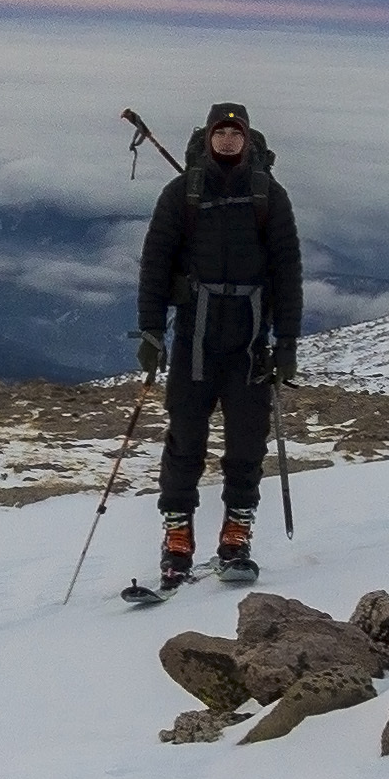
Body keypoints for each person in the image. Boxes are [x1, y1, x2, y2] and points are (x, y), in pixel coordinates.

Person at [129, 101, 302, 584]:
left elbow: (288, 270)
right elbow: (155, 261)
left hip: (250, 342)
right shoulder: (182, 193)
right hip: (194, 337)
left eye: (235, 134)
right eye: (220, 133)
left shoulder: (270, 195)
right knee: (185, 438)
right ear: (207, 138)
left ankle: (237, 533)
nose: (227, 141)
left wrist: (287, 341)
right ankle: (177, 534)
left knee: (247, 443)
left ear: (248, 140)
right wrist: (150, 328)